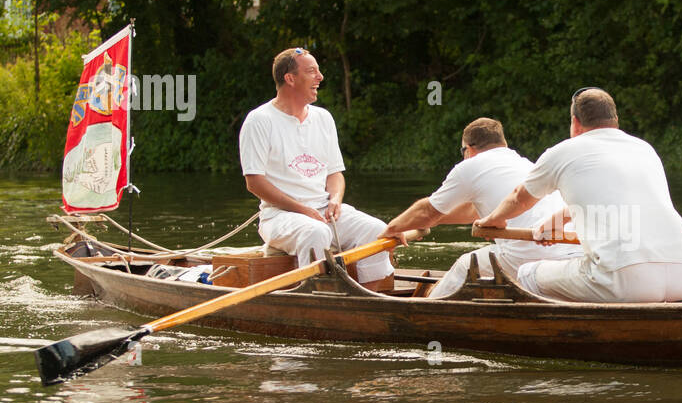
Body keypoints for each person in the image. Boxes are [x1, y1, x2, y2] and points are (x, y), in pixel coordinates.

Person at [475, 88, 682, 303]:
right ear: (615, 119)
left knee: (527, 273)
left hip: (625, 279)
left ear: (575, 122)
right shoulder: (645, 149)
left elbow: (519, 198)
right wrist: (563, 217)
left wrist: (493, 219)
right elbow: (618, 196)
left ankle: (562, 337)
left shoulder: (562, 152)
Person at [238, 47, 394, 289]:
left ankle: (368, 302)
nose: (320, 77)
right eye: (312, 71)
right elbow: (254, 182)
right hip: (280, 215)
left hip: (323, 210)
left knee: (377, 230)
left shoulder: (323, 118)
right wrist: (301, 209)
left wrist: (335, 199)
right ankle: (316, 297)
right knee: (317, 232)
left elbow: (335, 173)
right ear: (290, 79)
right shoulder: (259, 120)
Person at [382, 117, 581, 298]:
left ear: (468, 148)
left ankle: (425, 310)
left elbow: (427, 211)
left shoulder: (470, 166)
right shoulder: (524, 163)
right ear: (502, 144)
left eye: (462, 152)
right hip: (566, 252)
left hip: (527, 254)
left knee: (464, 265)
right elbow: (472, 211)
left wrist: (393, 228)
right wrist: (432, 221)